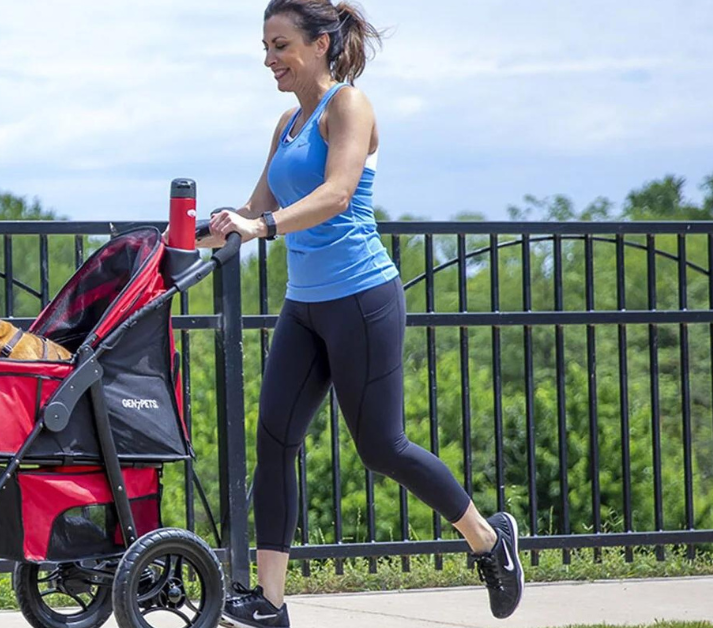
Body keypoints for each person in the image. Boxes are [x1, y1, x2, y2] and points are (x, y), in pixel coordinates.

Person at [198, 2, 525, 626]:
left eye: (280, 44)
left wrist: (260, 226)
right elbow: (252, 207)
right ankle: (269, 603)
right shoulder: (287, 124)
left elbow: (337, 192)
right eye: (265, 46)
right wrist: (191, 234)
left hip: (361, 297)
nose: (268, 59)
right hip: (305, 304)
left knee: (381, 446)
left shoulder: (349, 105)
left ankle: (488, 540)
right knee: (274, 442)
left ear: (321, 44)